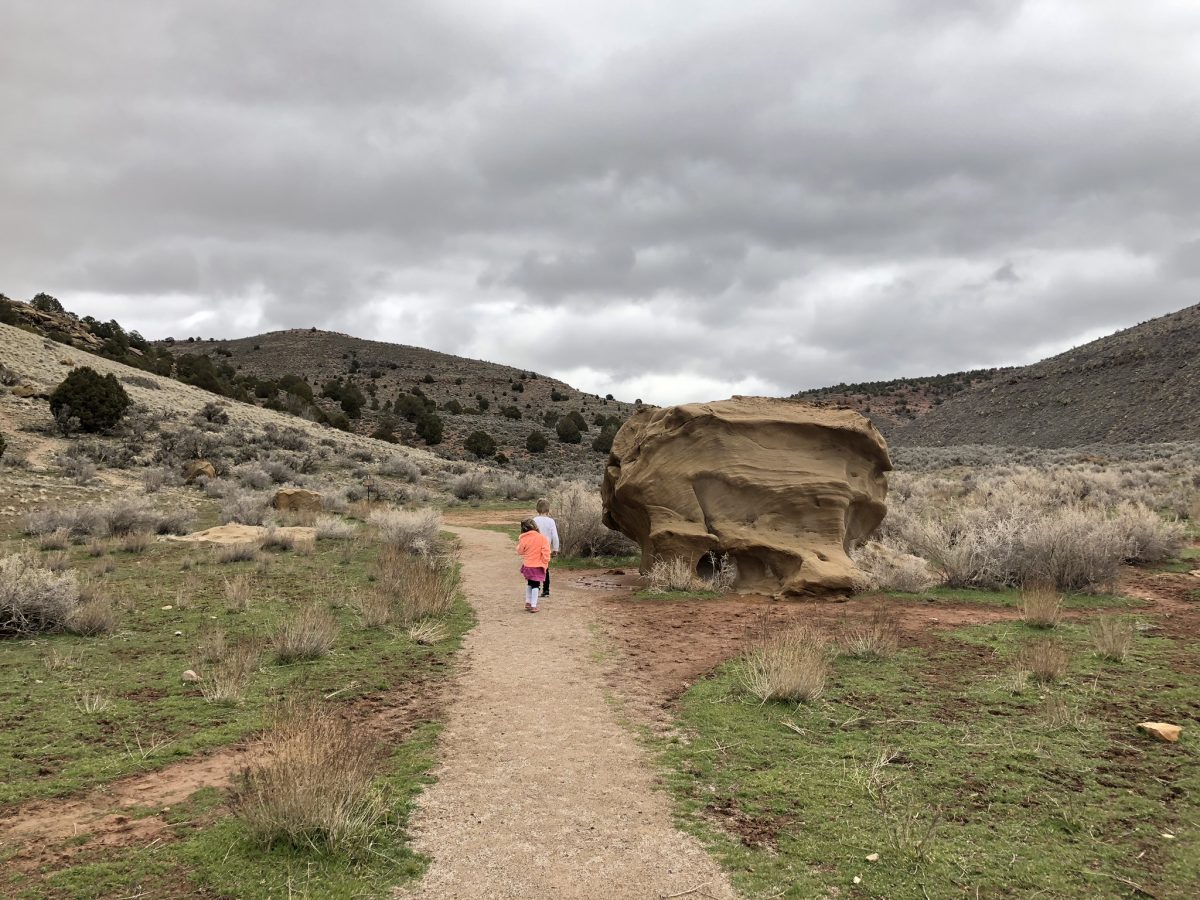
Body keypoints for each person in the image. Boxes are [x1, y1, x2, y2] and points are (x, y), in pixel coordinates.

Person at [516, 518, 551, 613]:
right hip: (537, 565)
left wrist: (519, 545)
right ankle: (533, 605)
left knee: (530, 583)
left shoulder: (523, 538)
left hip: (527, 565)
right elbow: (546, 551)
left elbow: (520, 551)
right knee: (536, 585)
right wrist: (545, 561)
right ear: (535, 526)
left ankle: (528, 602)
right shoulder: (541, 538)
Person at [532, 498, 560, 598]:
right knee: (545, 568)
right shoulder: (551, 521)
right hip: (546, 547)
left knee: (535, 567)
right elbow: (555, 536)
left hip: (535, 547)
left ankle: (536, 587)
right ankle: (546, 590)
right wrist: (555, 548)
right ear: (548, 509)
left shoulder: (534, 520)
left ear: (537, 508)